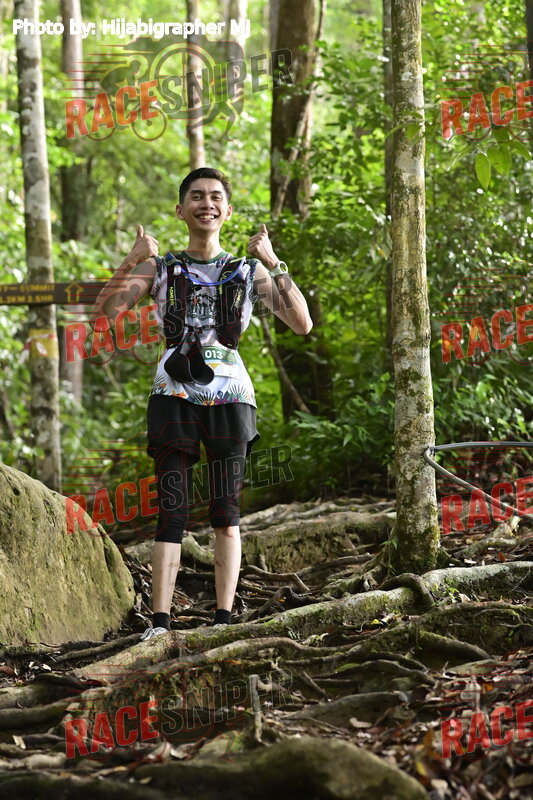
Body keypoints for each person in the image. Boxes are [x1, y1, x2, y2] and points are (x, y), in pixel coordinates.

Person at [93, 167, 312, 640]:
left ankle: (222, 621)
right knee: (171, 510)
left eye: (215, 197)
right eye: (196, 196)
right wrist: (132, 258)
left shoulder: (248, 271)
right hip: (172, 396)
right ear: (181, 210)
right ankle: (160, 624)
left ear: (227, 211)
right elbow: (105, 313)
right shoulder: (161, 268)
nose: (206, 204)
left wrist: (273, 260)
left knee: (225, 514)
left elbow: (301, 323)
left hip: (232, 399)